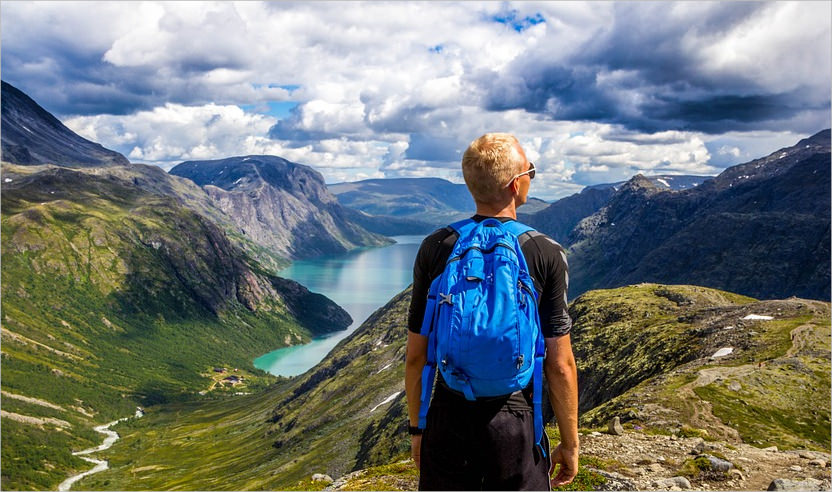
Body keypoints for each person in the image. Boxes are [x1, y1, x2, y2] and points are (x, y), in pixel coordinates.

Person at [405, 133, 579, 490]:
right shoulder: (544, 251)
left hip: (449, 413)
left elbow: (417, 357)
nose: (532, 176)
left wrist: (418, 430)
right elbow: (560, 363)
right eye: (531, 170)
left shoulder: (437, 246)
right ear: (517, 184)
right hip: (515, 419)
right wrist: (570, 443)